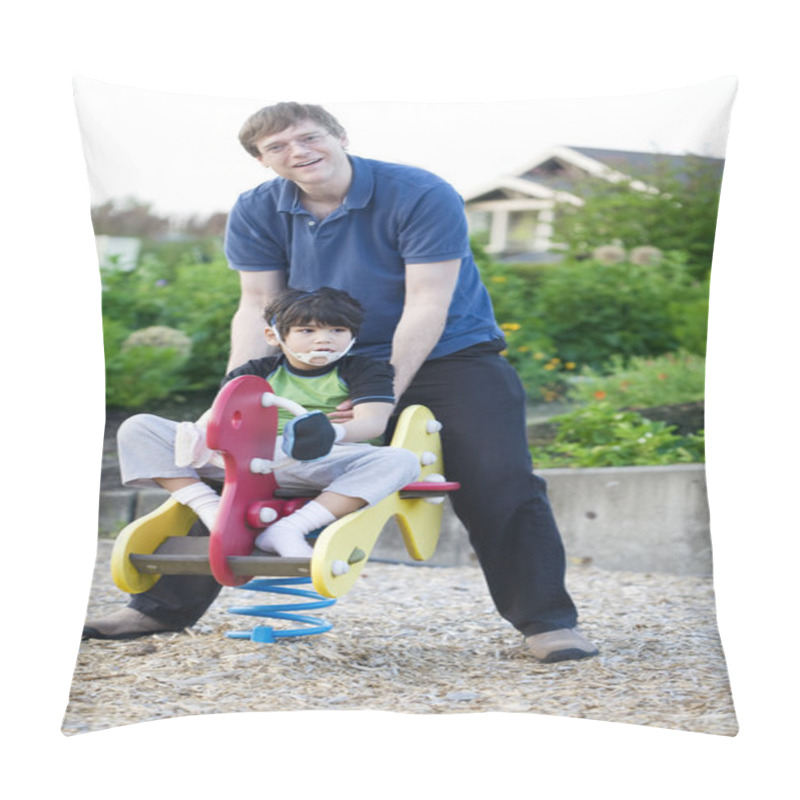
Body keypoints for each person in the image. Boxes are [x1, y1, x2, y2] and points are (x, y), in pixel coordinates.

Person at [85, 102, 598, 663]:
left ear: (340, 136)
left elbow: (427, 301)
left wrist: (378, 396)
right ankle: (159, 608)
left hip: (450, 354)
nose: (297, 152)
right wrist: (235, 401)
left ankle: (547, 622)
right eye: (276, 148)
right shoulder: (260, 208)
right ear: (262, 161)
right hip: (318, 354)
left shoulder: (419, 193)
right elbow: (258, 304)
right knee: (248, 462)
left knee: (498, 477)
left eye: (307, 138)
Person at [106, 288, 421, 566]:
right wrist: (199, 434)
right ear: (275, 336)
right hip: (248, 459)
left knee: (402, 460)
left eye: (337, 329)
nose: (324, 339)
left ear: (353, 335)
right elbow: (219, 415)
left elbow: (372, 421)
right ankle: (210, 509)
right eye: (307, 330)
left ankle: (291, 528)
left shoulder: (365, 369)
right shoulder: (256, 371)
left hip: (320, 458)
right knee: (140, 427)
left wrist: (332, 433)